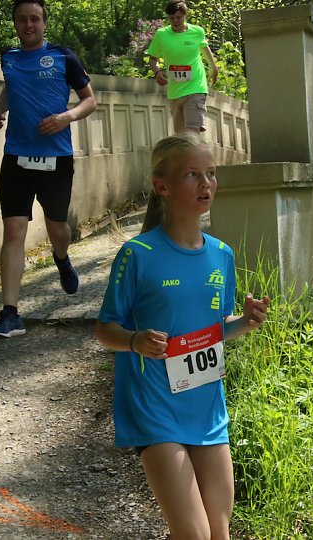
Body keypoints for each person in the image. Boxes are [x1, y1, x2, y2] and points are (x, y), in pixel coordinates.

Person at [95, 134, 271, 539]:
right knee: (194, 534)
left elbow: (211, 332)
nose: (206, 183)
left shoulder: (221, 254)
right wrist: (135, 341)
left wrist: (243, 322)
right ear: (163, 186)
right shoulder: (138, 254)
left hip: (207, 409)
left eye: (210, 174)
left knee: (218, 532)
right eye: (192, 175)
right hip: (154, 409)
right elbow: (105, 329)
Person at [0, 0, 97, 338]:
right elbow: (12, 89)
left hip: (56, 158)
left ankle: (61, 258)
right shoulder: (9, 58)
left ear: (44, 23)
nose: (29, 25)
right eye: (22, 19)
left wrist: (66, 117)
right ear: (16, 24)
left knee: (57, 227)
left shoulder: (63, 57)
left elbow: (90, 100)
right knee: (14, 230)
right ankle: (10, 313)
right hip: (16, 156)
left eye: (35, 19)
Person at [147, 0, 219, 133]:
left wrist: (214, 67)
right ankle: (196, 153)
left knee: (192, 132)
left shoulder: (197, 31)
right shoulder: (162, 35)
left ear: (185, 15)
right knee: (181, 136)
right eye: (171, 18)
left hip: (196, 87)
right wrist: (157, 72)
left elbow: (204, 48)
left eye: (179, 17)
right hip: (175, 91)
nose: (175, 21)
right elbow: (152, 58)